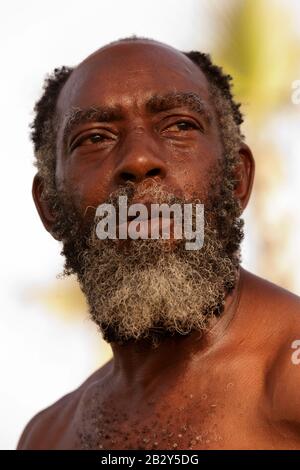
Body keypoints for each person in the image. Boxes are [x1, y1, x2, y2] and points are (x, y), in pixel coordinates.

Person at [17, 37, 300, 450]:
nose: (138, 160)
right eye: (95, 137)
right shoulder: (46, 437)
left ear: (237, 179)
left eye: (179, 126)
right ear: (50, 208)